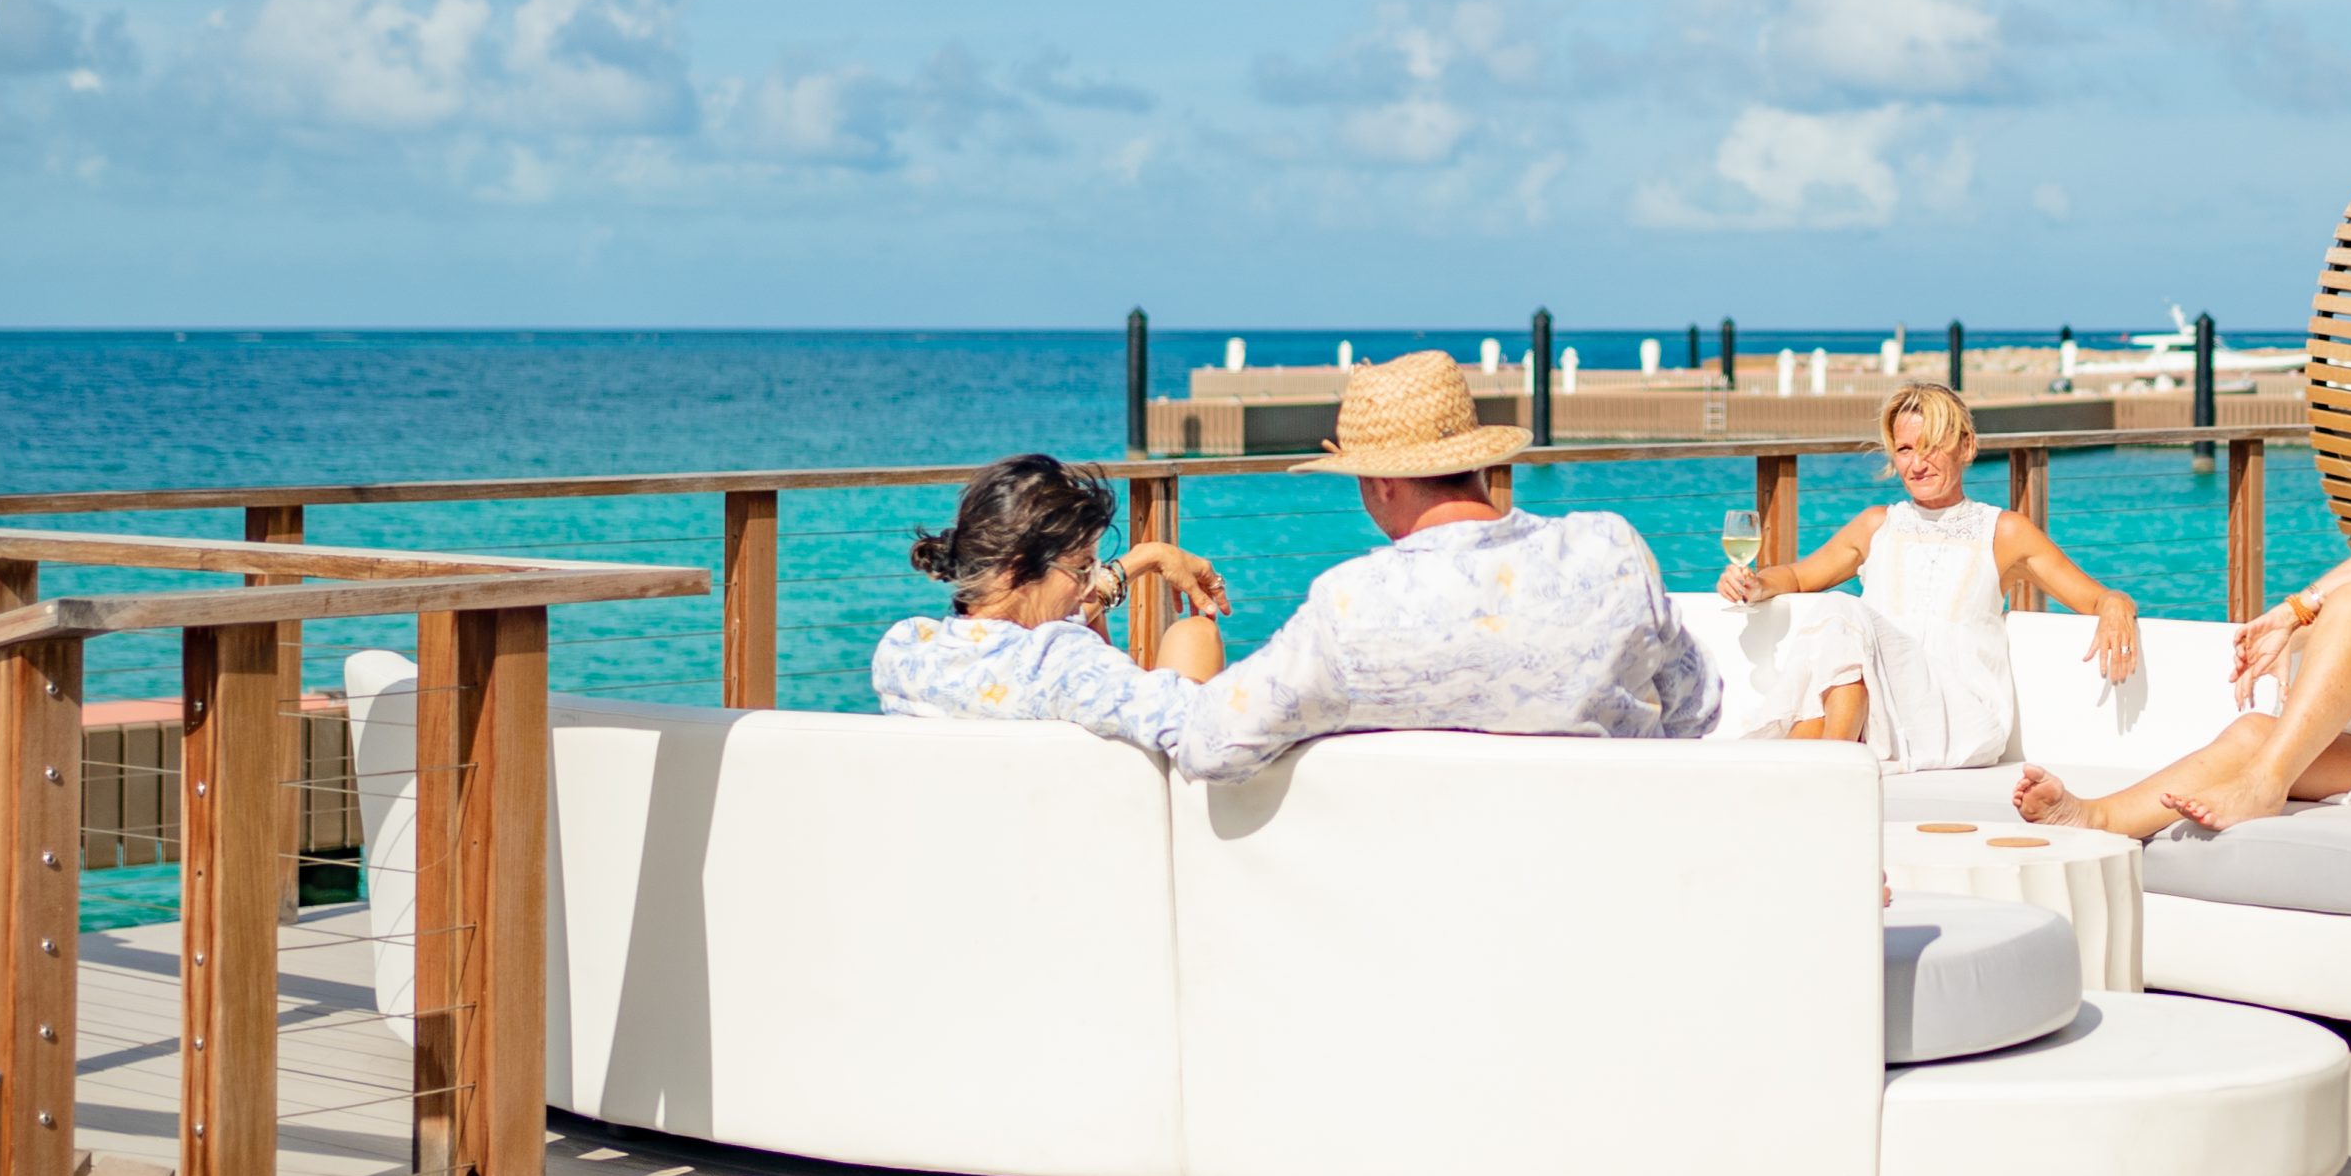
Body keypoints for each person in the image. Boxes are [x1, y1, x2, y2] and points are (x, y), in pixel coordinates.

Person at [1168, 350, 1716, 783]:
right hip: (1614, 872)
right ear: (1477, 458)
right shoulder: (1611, 550)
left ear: (1380, 482)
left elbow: (1210, 746)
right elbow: (1698, 708)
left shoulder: (1353, 608)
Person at [2012, 407, 2351, 836]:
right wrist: (2290, 637)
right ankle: (2097, 817)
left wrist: (2294, 609)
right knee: (2254, 732)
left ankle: (2265, 788)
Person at [1713, 382, 2140, 765]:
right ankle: (1795, 778)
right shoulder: (1877, 525)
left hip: (1962, 716)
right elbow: (1798, 577)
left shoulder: (2003, 531)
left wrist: (2117, 604)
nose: (1917, 463)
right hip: (1883, 709)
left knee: (1842, 614)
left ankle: (1825, 773)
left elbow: (2096, 599)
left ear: (1967, 447)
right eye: (1904, 449)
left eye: (1932, 445)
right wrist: (1754, 584)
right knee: (1830, 667)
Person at [872, 454, 1232, 755]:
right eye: (1082, 569)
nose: (1090, 591)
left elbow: (1004, 638)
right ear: (1017, 572)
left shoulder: (903, 649)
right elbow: (1204, 723)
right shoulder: (1063, 663)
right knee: (1195, 635)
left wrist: (1146, 558)